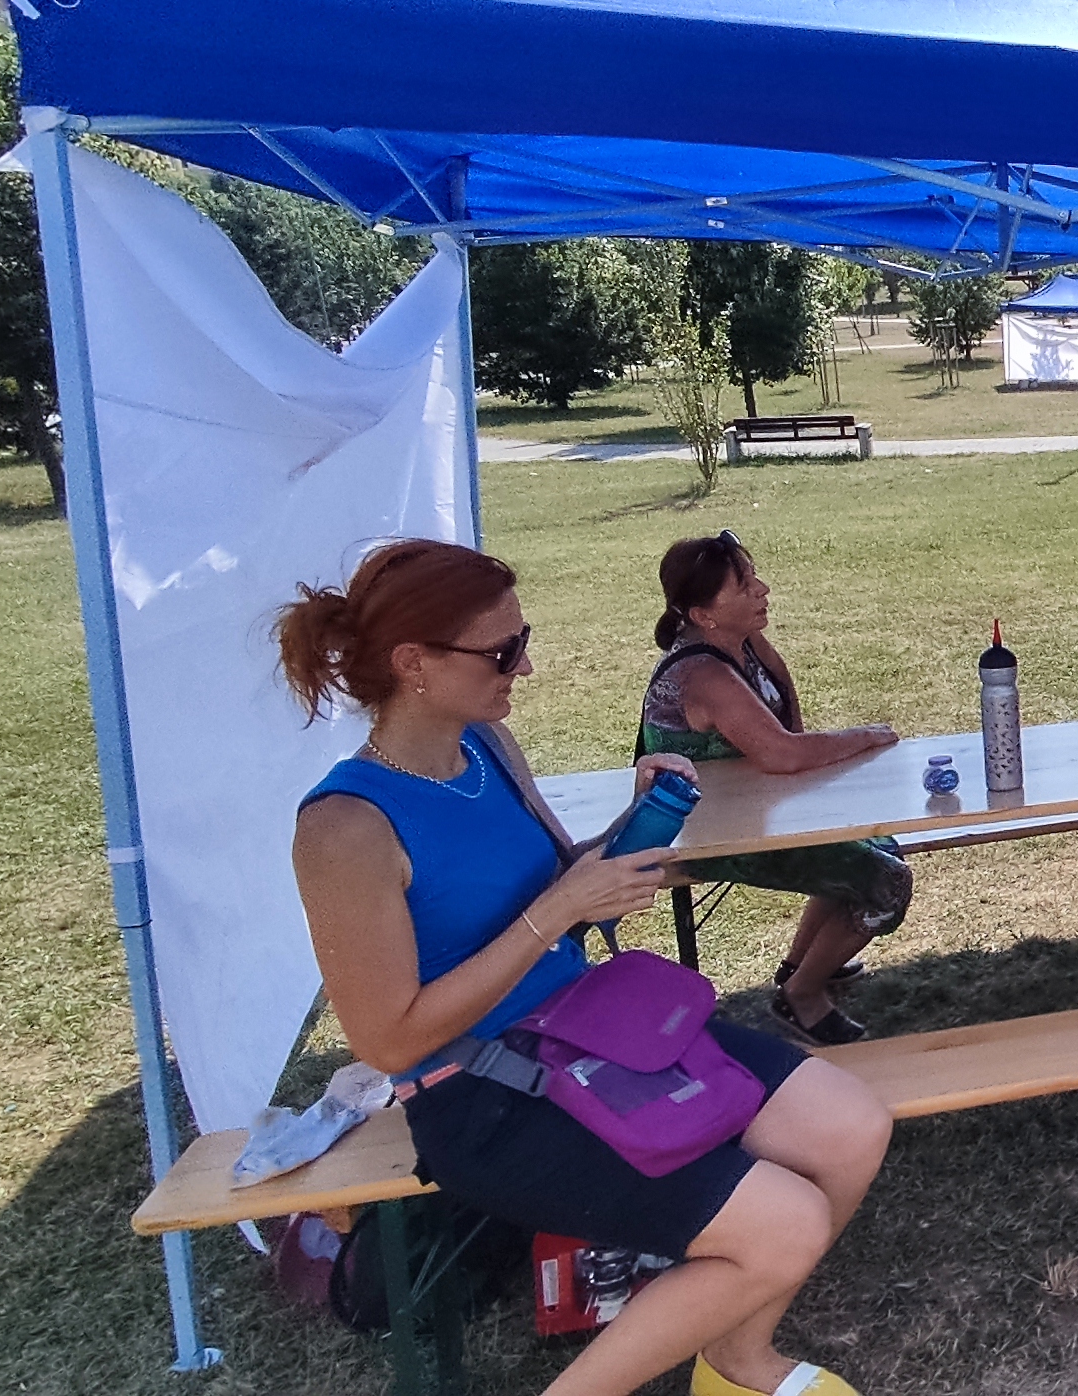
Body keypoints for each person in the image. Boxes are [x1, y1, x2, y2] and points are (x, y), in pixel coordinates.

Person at [280, 539, 888, 1396]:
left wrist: (634, 834)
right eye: (502, 651)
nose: (523, 668)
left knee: (852, 1126)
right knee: (783, 1227)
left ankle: (737, 1362)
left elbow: (559, 882)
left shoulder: (486, 744)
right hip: (477, 1094)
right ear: (412, 663)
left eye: (520, 639)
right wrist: (557, 914)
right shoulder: (345, 826)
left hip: (588, 1029)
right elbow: (386, 1039)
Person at [640, 532, 910, 1046]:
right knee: (884, 880)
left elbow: (789, 727)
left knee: (877, 849)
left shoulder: (744, 646)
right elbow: (784, 753)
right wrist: (867, 736)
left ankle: (797, 968)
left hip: (756, 814)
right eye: (743, 586)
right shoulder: (701, 675)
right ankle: (801, 998)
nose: (761, 589)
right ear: (703, 614)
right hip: (709, 837)